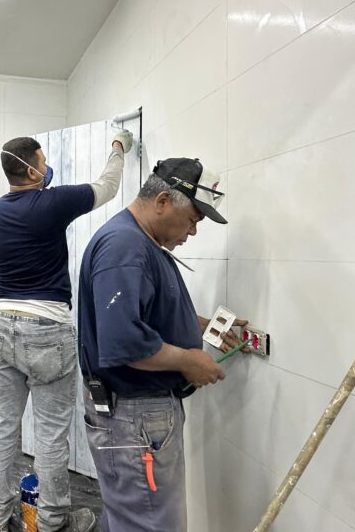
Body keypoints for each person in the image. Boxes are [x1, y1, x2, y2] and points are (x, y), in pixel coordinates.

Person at [77, 158, 247, 532]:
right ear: (163, 201)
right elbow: (123, 341)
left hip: (134, 418)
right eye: (192, 220)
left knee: (135, 517)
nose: (193, 232)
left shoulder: (138, 241)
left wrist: (205, 326)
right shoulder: (125, 246)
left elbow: (145, 314)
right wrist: (189, 360)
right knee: (151, 524)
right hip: (135, 418)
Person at [0, 131, 133, 532]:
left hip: (2, 324)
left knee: (1, 424)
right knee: (50, 433)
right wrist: (117, 148)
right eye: (43, 161)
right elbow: (108, 187)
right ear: (31, 168)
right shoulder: (51, 202)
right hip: (46, 329)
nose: (48, 167)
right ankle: (52, 522)